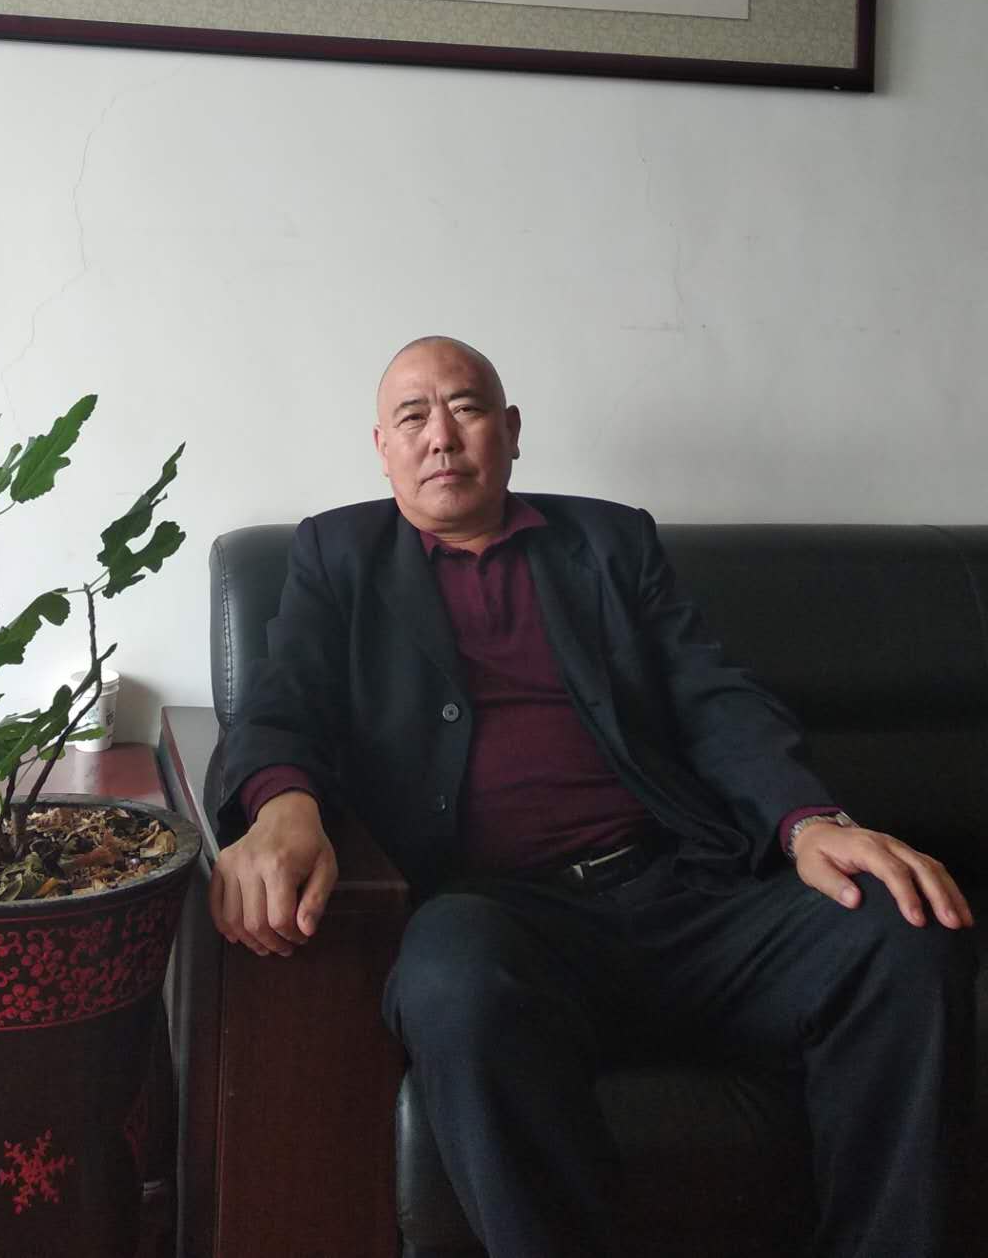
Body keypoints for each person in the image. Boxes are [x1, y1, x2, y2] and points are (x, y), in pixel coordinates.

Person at [212, 335, 976, 1258]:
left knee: (900, 930)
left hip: (685, 894)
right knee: (451, 981)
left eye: (466, 408)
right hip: (499, 913)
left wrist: (809, 822)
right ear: (383, 449)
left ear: (511, 431)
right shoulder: (338, 556)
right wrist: (285, 806)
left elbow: (711, 696)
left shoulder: (610, 542)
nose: (441, 435)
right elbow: (280, 704)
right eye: (413, 417)